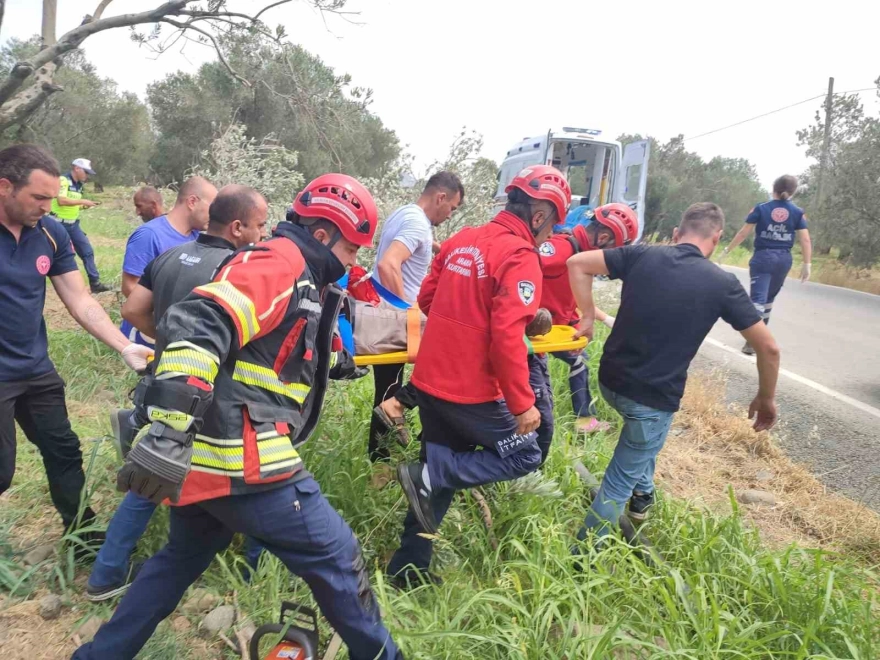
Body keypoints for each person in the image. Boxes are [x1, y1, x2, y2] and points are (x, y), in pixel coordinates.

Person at [73, 174, 401, 660]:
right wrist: (169, 425)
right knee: (336, 555)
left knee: (177, 561)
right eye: (353, 248)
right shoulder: (280, 262)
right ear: (325, 235)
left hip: (208, 460)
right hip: (243, 460)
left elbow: (265, 355)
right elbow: (200, 322)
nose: (355, 260)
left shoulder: (298, 273)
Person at [387, 165, 571, 587]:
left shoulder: (461, 239)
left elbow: (428, 297)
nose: (548, 235)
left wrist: (467, 315)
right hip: (471, 394)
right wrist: (523, 404)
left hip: (431, 382)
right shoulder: (520, 256)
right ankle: (432, 476)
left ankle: (407, 569)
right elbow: (506, 336)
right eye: (551, 223)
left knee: (440, 471)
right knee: (527, 452)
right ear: (539, 215)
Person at [85, 185, 269, 601]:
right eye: (259, 225)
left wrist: (168, 342)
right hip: (215, 397)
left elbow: (132, 310)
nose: (263, 233)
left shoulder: (169, 256)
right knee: (256, 480)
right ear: (238, 227)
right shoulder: (238, 268)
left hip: (166, 389)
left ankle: (106, 574)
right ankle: (251, 575)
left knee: (150, 480)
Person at [566, 202, 780, 545]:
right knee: (624, 469)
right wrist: (766, 397)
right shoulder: (722, 283)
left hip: (610, 382)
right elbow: (768, 348)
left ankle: (643, 497)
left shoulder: (642, 255)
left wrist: (588, 316)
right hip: (652, 399)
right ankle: (584, 557)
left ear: (677, 234)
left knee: (645, 436)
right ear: (718, 237)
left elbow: (577, 263)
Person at [0, 144, 152, 543]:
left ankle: (83, 540)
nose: (47, 207)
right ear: (4, 187)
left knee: (64, 451)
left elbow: (80, 298)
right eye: (38, 197)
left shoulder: (50, 232)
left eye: (51, 198)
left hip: (34, 368)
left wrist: (124, 346)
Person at [369, 171, 464, 460]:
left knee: (388, 389)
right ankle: (423, 453)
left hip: (382, 315)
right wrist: (406, 314)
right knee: (445, 372)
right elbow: (388, 265)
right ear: (441, 197)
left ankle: (382, 461)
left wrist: (442, 249)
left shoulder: (406, 214)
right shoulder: (417, 224)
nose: (450, 214)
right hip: (397, 320)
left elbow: (412, 246)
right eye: (453, 208)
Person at [538, 203, 638, 434]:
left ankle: (583, 419)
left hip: (557, 326)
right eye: (614, 251)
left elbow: (577, 301)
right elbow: (520, 263)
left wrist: (603, 319)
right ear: (603, 238)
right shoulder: (562, 249)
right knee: (570, 365)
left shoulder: (581, 256)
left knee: (580, 359)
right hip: (536, 328)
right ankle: (579, 420)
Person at [119, 176, 217, 346]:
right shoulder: (149, 235)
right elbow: (129, 286)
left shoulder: (198, 237)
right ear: (192, 202)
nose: (215, 214)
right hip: (147, 337)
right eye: (212, 207)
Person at [721, 175, 812, 355]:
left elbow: (743, 233)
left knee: (758, 302)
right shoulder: (797, 212)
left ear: (773, 189)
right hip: (783, 260)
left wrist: (727, 250)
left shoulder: (761, 208)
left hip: (763, 257)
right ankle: (756, 340)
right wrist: (807, 263)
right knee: (768, 302)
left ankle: (753, 342)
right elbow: (805, 239)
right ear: (793, 192)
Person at [50, 157, 110, 293]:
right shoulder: (63, 180)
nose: (87, 175)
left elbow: (72, 204)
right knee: (58, 255)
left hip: (73, 225)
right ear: (77, 168)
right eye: (86, 172)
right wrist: (83, 201)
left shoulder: (79, 185)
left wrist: (83, 206)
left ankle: (95, 283)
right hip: (58, 224)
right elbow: (62, 201)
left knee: (87, 251)